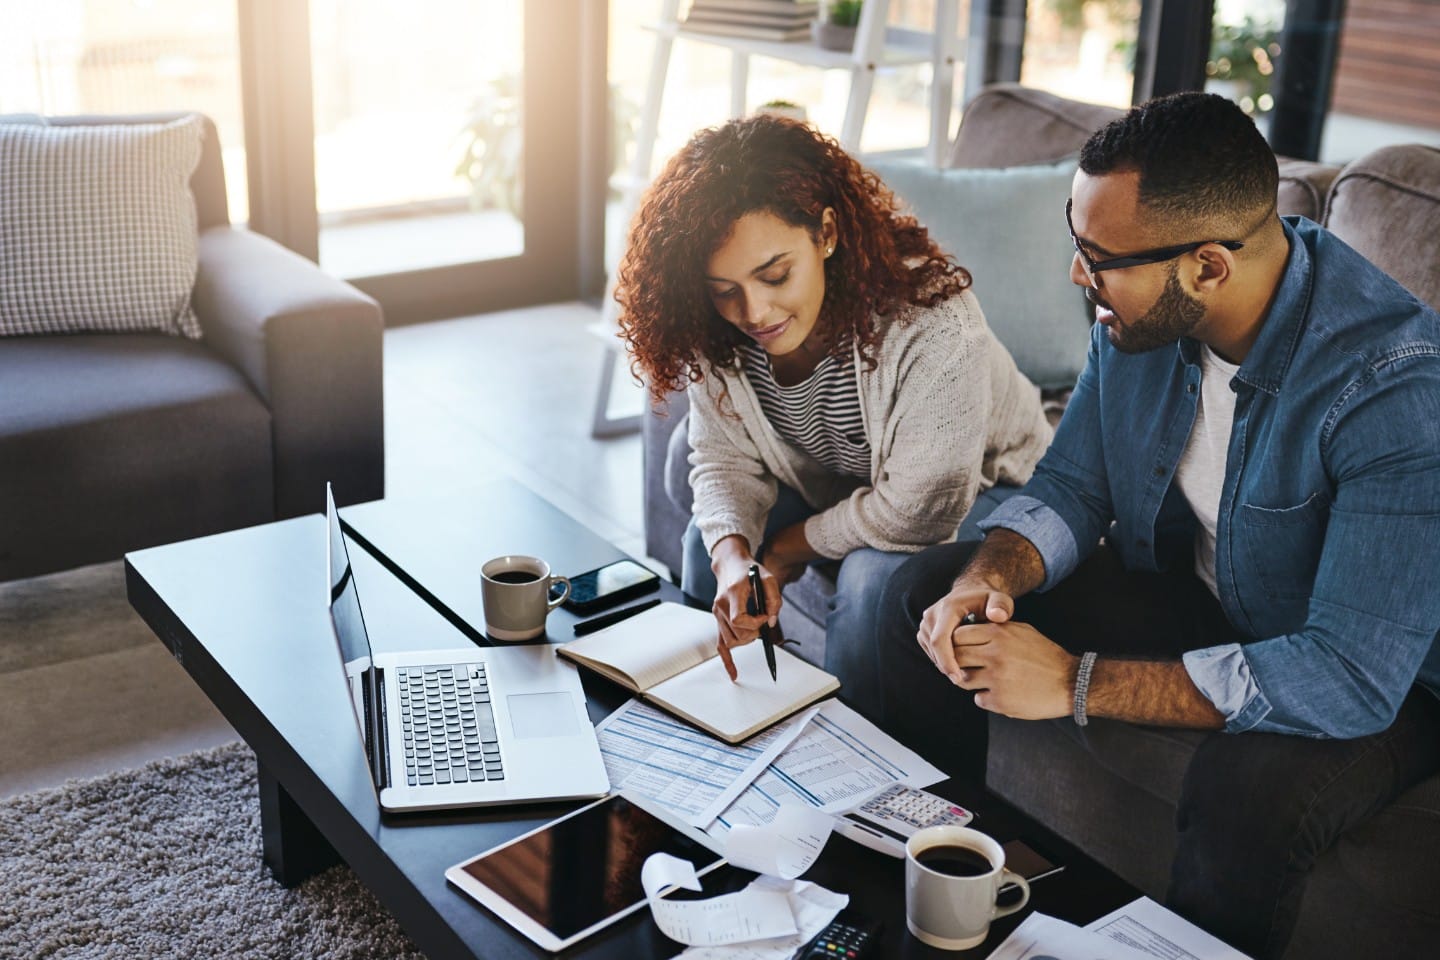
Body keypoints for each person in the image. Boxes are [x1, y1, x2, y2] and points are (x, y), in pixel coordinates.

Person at [876, 91, 1440, 958]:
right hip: (1207, 598)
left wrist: (1073, 682)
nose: (1078, 275)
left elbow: (1347, 674)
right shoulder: (1140, 317)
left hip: (1382, 675)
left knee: (1245, 793)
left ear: (1208, 266)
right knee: (924, 593)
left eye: (1098, 258)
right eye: (1077, 241)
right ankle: (935, 899)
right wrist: (987, 580)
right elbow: (1074, 485)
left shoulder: (1393, 389)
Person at [614, 114, 1051, 715]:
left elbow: (916, 511)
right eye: (724, 289)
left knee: (873, 583)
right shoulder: (719, 328)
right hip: (847, 481)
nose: (754, 312)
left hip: (990, 487)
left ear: (825, 233)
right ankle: (716, 721)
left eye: (775, 275)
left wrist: (784, 550)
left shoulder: (933, 324)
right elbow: (721, 458)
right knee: (705, 546)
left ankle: (861, 763)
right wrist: (735, 558)